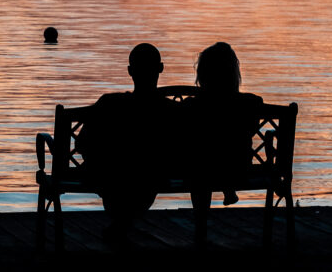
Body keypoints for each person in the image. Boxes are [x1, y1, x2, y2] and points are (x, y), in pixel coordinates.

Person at [76, 43, 177, 244]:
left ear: (130, 71)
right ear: (161, 68)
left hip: (111, 173)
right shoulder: (171, 109)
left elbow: (82, 143)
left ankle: (121, 224)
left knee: (119, 170)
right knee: (150, 170)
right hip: (154, 173)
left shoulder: (109, 103)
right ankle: (122, 224)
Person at [186, 42, 263, 232]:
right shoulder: (249, 104)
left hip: (202, 167)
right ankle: (228, 188)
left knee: (202, 162)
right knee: (218, 155)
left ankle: (201, 220)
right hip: (239, 165)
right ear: (233, 74)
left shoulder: (194, 105)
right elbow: (252, 124)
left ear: (203, 75)